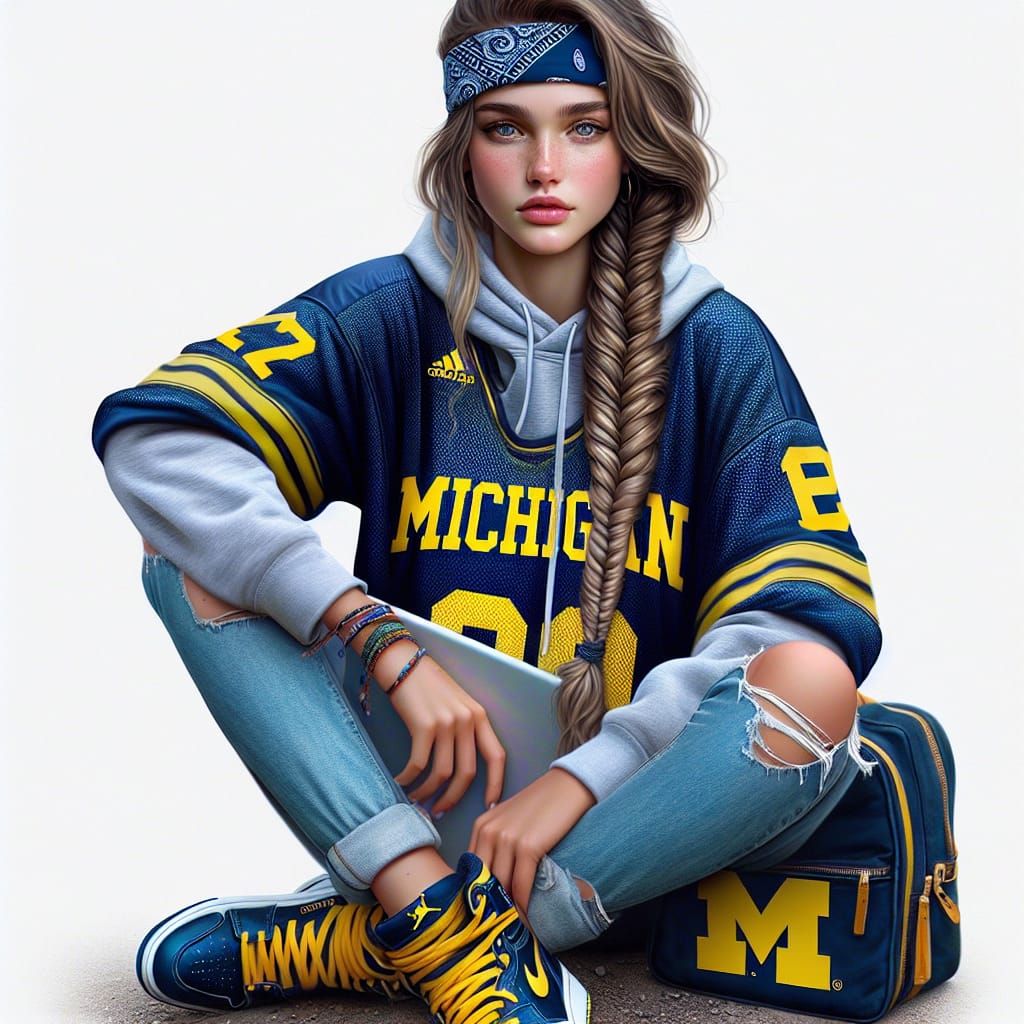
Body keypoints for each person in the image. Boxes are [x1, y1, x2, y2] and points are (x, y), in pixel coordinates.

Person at [92, 2, 883, 1021]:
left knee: (811, 682)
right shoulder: (383, 316)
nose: (544, 166)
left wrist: (592, 772)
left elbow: (794, 614)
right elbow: (162, 441)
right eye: (506, 127)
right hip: (422, 789)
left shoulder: (719, 347)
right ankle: (431, 909)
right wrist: (370, 633)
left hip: (640, 820)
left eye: (584, 127)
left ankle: (393, 936)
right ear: (462, 150)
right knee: (189, 554)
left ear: (636, 144)